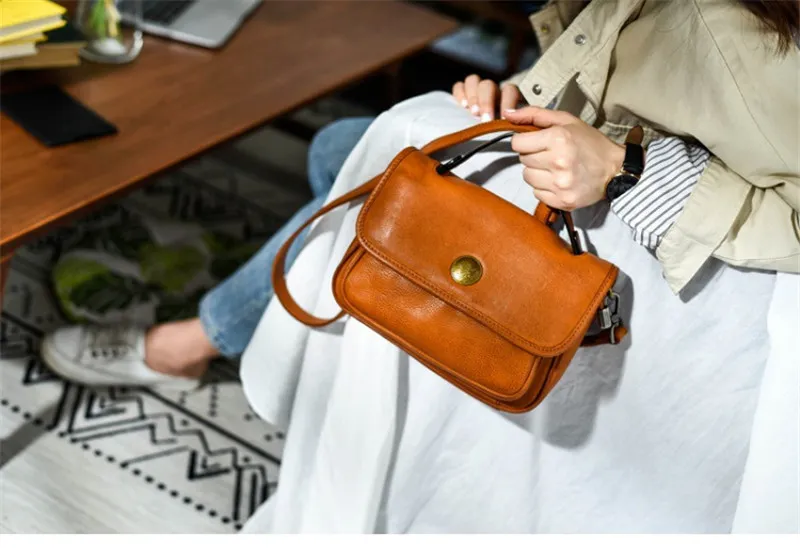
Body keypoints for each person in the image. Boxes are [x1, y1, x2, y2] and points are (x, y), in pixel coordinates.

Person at [43, 0, 798, 533]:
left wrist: (627, 171)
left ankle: (199, 339)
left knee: (363, 157)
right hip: (584, 178)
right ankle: (218, 329)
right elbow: (621, 94)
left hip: (670, 253)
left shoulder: (738, 37)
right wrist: (524, 104)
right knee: (340, 150)